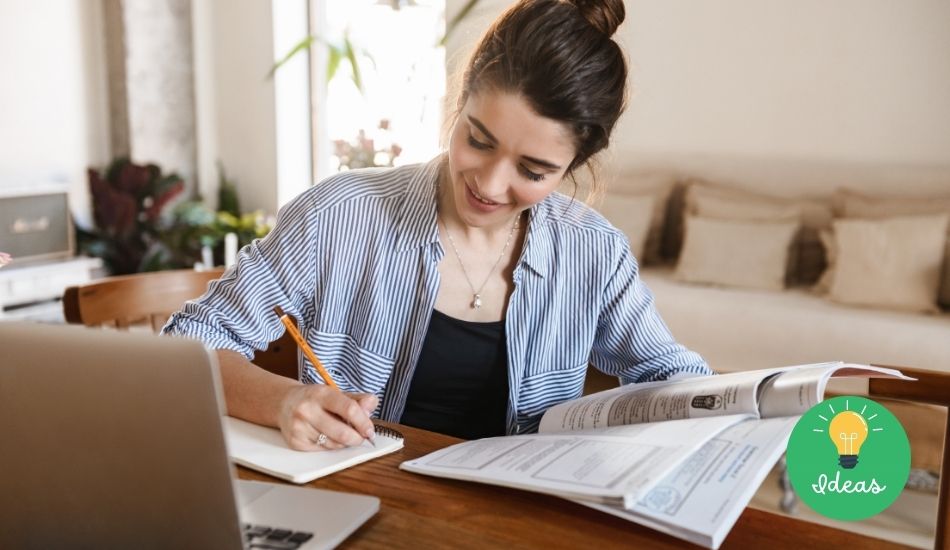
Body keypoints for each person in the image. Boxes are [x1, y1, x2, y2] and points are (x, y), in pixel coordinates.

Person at [163, 0, 711, 450]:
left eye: (533, 170)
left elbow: (669, 376)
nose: (490, 186)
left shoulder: (593, 252)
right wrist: (286, 401)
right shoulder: (340, 216)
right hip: (367, 499)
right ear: (460, 97)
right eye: (478, 139)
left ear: (574, 165)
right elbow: (186, 349)